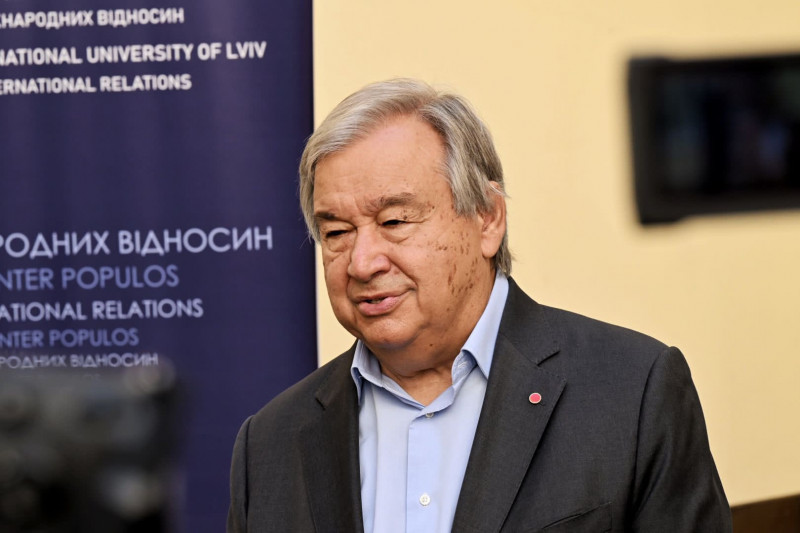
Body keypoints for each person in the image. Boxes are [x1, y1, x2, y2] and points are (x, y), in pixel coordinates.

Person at [227, 78, 731, 532]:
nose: (361, 262)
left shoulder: (632, 392)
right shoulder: (268, 447)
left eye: (395, 221)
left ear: (488, 218)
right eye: (337, 232)